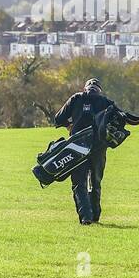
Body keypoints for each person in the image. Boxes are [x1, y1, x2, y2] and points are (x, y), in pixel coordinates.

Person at [53, 78, 115, 225]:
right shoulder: (106, 102)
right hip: (98, 148)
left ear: (85, 88)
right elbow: (117, 121)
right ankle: (95, 216)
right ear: (99, 90)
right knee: (95, 182)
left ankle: (85, 217)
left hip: (77, 146)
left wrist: (68, 125)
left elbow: (58, 118)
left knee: (79, 183)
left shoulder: (76, 98)